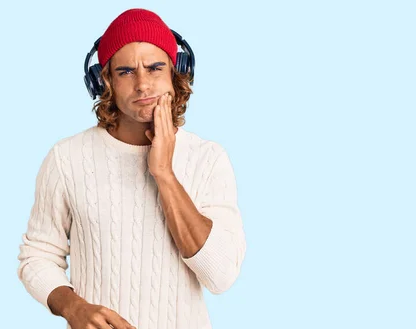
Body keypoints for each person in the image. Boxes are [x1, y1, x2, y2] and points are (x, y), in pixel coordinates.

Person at [17, 8, 246, 329]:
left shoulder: (208, 158)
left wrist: (164, 173)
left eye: (155, 68)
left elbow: (221, 275)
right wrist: (74, 307)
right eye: (126, 71)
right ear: (105, 80)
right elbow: (37, 255)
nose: (142, 85)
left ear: (175, 73)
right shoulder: (66, 158)